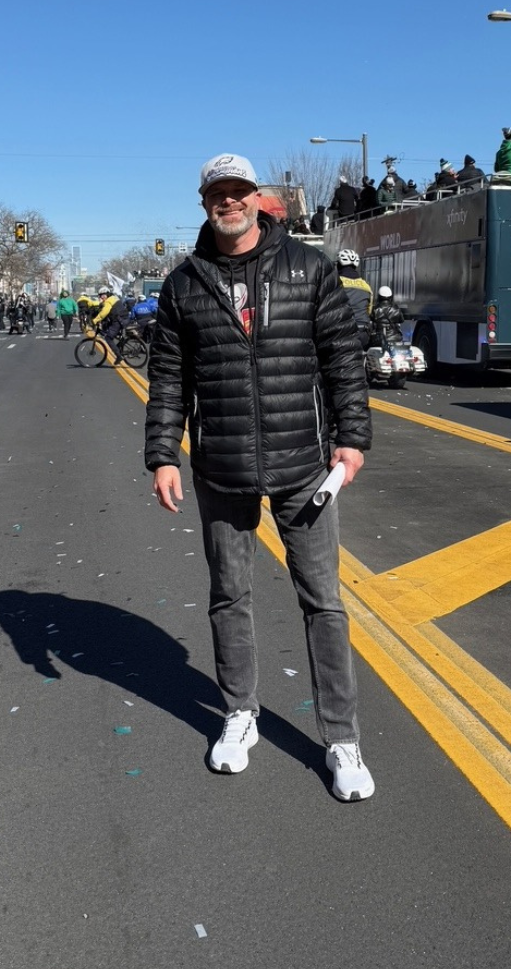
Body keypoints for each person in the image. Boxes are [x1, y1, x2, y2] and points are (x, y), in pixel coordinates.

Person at [145, 152, 374, 802]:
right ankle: (239, 713)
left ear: (257, 198)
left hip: (304, 462)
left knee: (322, 600)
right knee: (229, 596)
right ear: (205, 202)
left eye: (240, 191)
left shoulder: (308, 268)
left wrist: (352, 439)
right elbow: (167, 378)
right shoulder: (184, 283)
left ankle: (341, 737)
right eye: (219, 193)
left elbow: (342, 361)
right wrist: (164, 453)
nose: (230, 201)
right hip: (222, 464)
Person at [336, 248, 374, 350]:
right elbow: (369, 311)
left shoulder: (335, 283)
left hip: (341, 332)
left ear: (338, 265)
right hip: (362, 333)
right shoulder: (366, 286)